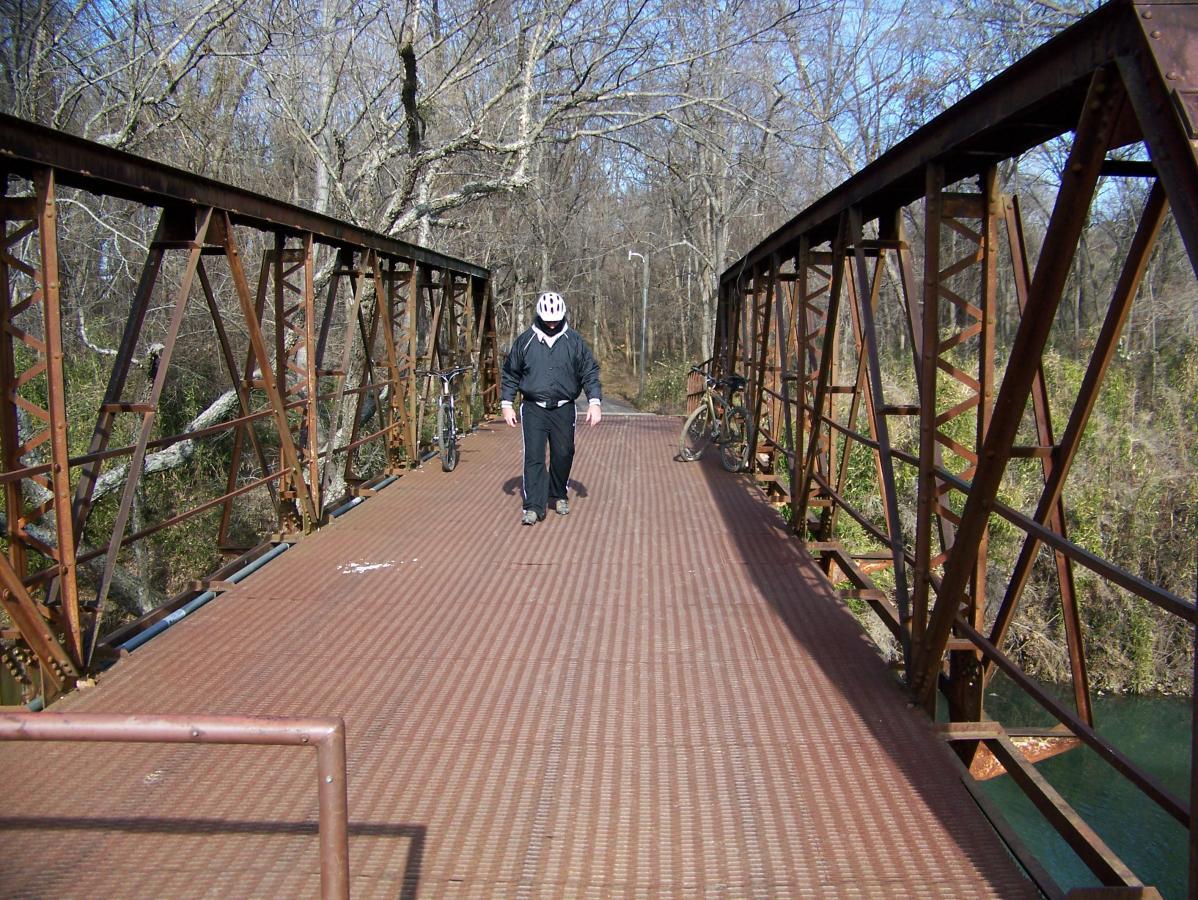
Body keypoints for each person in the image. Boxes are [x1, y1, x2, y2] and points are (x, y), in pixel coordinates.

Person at [501, 291, 602, 525]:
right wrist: (507, 404)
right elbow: (510, 373)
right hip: (533, 407)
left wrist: (594, 402)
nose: (552, 323)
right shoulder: (525, 341)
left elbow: (589, 371)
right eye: (548, 320)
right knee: (534, 456)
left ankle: (558, 494)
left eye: (556, 319)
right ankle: (533, 506)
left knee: (563, 452)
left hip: (563, 408)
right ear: (540, 316)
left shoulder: (573, 341)